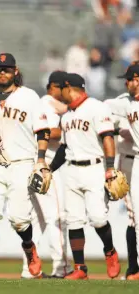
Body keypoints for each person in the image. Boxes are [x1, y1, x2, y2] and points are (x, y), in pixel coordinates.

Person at [0, 53, 50, 279]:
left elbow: (42, 130)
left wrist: (41, 160)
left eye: (7, 69)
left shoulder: (29, 97)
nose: (2, 72)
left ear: (15, 71)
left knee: (19, 219)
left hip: (22, 162)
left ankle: (30, 249)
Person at [49, 73, 121, 280]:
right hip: (71, 170)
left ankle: (110, 251)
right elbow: (64, 147)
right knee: (74, 221)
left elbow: (108, 138)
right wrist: (50, 169)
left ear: (68, 87)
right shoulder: (67, 115)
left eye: (60, 89)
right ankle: (80, 268)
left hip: (94, 168)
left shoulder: (97, 107)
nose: (58, 94)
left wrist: (110, 168)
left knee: (98, 218)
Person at [20, 71, 72, 279]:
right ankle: (62, 267)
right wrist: (70, 128)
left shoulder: (47, 104)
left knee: (38, 220)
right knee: (57, 216)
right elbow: (50, 133)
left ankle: (28, 269)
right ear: (54, 87)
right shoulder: (47, 103)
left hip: (37, 165)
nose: (67, 91)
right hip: (48, 166)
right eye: (64, 87)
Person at [104, 63, 139, 280]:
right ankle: (134, 268)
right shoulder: (119, 103)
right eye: (128, 80)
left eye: (133, 79)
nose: (129, 83)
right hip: (129, 161)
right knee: (133, 218)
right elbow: (100, 113)